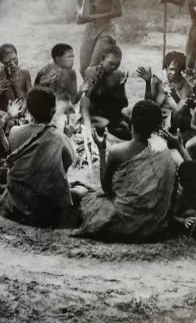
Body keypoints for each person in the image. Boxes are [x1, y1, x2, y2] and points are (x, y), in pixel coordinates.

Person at [73, 101, 176, 241]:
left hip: (125, 222)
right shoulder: (162, 147)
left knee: (83, 194)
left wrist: (102, 149)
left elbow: (106, 188)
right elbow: (137, 146)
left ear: (131, 122)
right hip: (154, 224)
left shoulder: (116, 152)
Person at [0, 88, 78, 228]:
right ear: (52, 111)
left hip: (17, 204)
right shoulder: (58, 137)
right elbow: (67, 164)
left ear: (29, 111)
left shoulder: (15, 132)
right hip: (43, 210)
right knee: (79, 193)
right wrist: (67, 137)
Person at [77, 0, 123, 76]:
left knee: (93, 68)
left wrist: (90, 17)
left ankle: (96, 93)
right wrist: (79, 11)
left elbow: (118, 12)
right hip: (90, 29)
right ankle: (90, 92)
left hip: (106, 30)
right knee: (83, 69)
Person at [80, 45, 131, 140]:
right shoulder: (91, 72)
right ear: (103, 59)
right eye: (111, 64)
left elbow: (124, 103)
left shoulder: (118, 74)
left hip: (111, 113)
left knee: (127, 121)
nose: (114, 67)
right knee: (108, 124)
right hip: (96, 113)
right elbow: (89, 100)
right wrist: (99, 80)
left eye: (117, 64)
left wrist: (120, 87)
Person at [34, 43, 79, 131]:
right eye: (69, 56)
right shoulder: (45, 72)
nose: (73, 59)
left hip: (65, 110)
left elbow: (73, 100)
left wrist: (81, 91)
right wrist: (42, 85)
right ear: (58, 59)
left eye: (73, 56)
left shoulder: (72, 73)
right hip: (48, 112)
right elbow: (34, 97)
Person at [0, 43, 33, 113]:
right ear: (2, 61)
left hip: (23, 109)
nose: (13, 64)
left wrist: (24, 106)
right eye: (7, 61)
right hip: (7, 112)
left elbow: (30, 93)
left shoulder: (25, 73)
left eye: (14, 59)